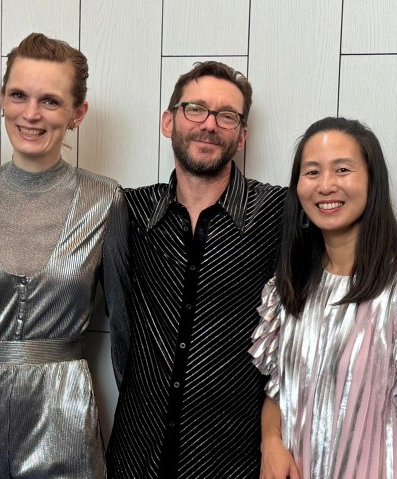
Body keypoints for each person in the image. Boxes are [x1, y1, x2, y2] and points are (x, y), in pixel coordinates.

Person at [0, 32, 130, 479]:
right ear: (1, 100)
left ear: (77, 113)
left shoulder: (105, 201)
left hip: (64, 415)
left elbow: (125, 328)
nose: (31, 113)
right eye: (19, 95)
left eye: (50, 101)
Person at [106, 61, 287, 478]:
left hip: (231, 460)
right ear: (168, 121)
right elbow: (118, 321)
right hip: (136, 455)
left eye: (226, 116)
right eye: (195, 109)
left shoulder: (279, 211)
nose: (209, 124)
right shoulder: (130, 210)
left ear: (241, 136)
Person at [251, 117, 397, 479]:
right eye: (312, 172)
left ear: (373, 181)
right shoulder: (289, 287)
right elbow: (279, 390)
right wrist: (270, 441)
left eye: (342, 169)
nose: (326, 185)